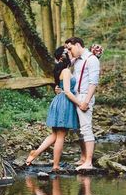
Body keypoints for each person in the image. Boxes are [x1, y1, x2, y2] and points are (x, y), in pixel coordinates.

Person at [26, 46, 81, 172]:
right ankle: (55, 165)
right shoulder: (66, 71)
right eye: (68, 53)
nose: (71, 54)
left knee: (55, 134)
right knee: (61, 135)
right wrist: (79, 103)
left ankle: (35, 153)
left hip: (58, 101)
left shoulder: (59, 69)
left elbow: (61, 86)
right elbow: (67, 91)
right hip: (64, 103)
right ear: (63, 57)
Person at [64, 37, 100, 170]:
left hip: (85, 96)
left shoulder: (91, 59)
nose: (69, 51)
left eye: (70, 48)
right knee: (78, 129)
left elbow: (93, 82)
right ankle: (84, 157)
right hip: (76, 96)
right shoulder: (77, 60)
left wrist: (86, 101)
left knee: (86, 128)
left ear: (78, 45)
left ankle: (89, 162)